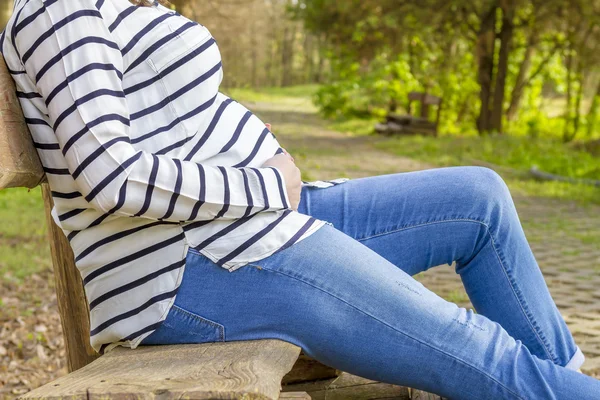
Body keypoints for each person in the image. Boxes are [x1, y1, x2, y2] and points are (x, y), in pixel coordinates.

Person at [2, 0, 599, 398]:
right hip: (196, 261)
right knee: (479, 352)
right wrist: (265, 182)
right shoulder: (61, 10)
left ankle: (563, 381)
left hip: (256, 223)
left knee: (478, 200)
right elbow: (112, 174)